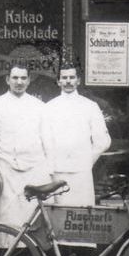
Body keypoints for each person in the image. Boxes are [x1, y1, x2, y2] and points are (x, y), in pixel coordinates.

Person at [0, 65, 52, 227]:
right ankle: (8, 252)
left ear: (29, 80)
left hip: (35, 170)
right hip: (6, 171)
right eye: (15, 78)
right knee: (7, 218)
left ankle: (33, 252)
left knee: (34, 216)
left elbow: (47, 141)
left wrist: (49, 170)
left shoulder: (39, 106)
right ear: (7, 80)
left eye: (23, 78)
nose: (19, 82)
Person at [43, 64, 110, 206]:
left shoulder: (90, 106)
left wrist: (87, 161)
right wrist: (51, 166)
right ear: (58, 81)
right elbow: (45, 139)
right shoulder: (49, 107)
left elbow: (103, 141)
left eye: (72, 77)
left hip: (81, 172)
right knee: (59, 214)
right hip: (57, 171)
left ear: (78, 80)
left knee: (83, 214)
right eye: (64, 78)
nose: (68, 81)